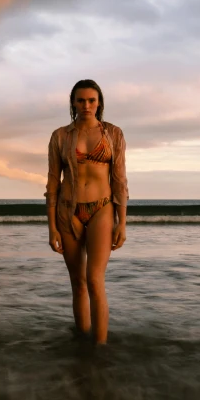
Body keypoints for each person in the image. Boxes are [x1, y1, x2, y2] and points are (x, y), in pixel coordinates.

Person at [45, 79, 129, 345]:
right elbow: (51, 183)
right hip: (68, 211)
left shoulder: (113, 134)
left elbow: (119, 180)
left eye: (91, 100)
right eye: (80, 100)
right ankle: (82, 345)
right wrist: (52, 228)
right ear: (73, 103)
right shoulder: (60, 136)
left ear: (99, 102)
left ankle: (100, 349)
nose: (86, 105)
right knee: (78, 283)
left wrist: (122, 222)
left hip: (102, 208)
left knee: (94, 279)